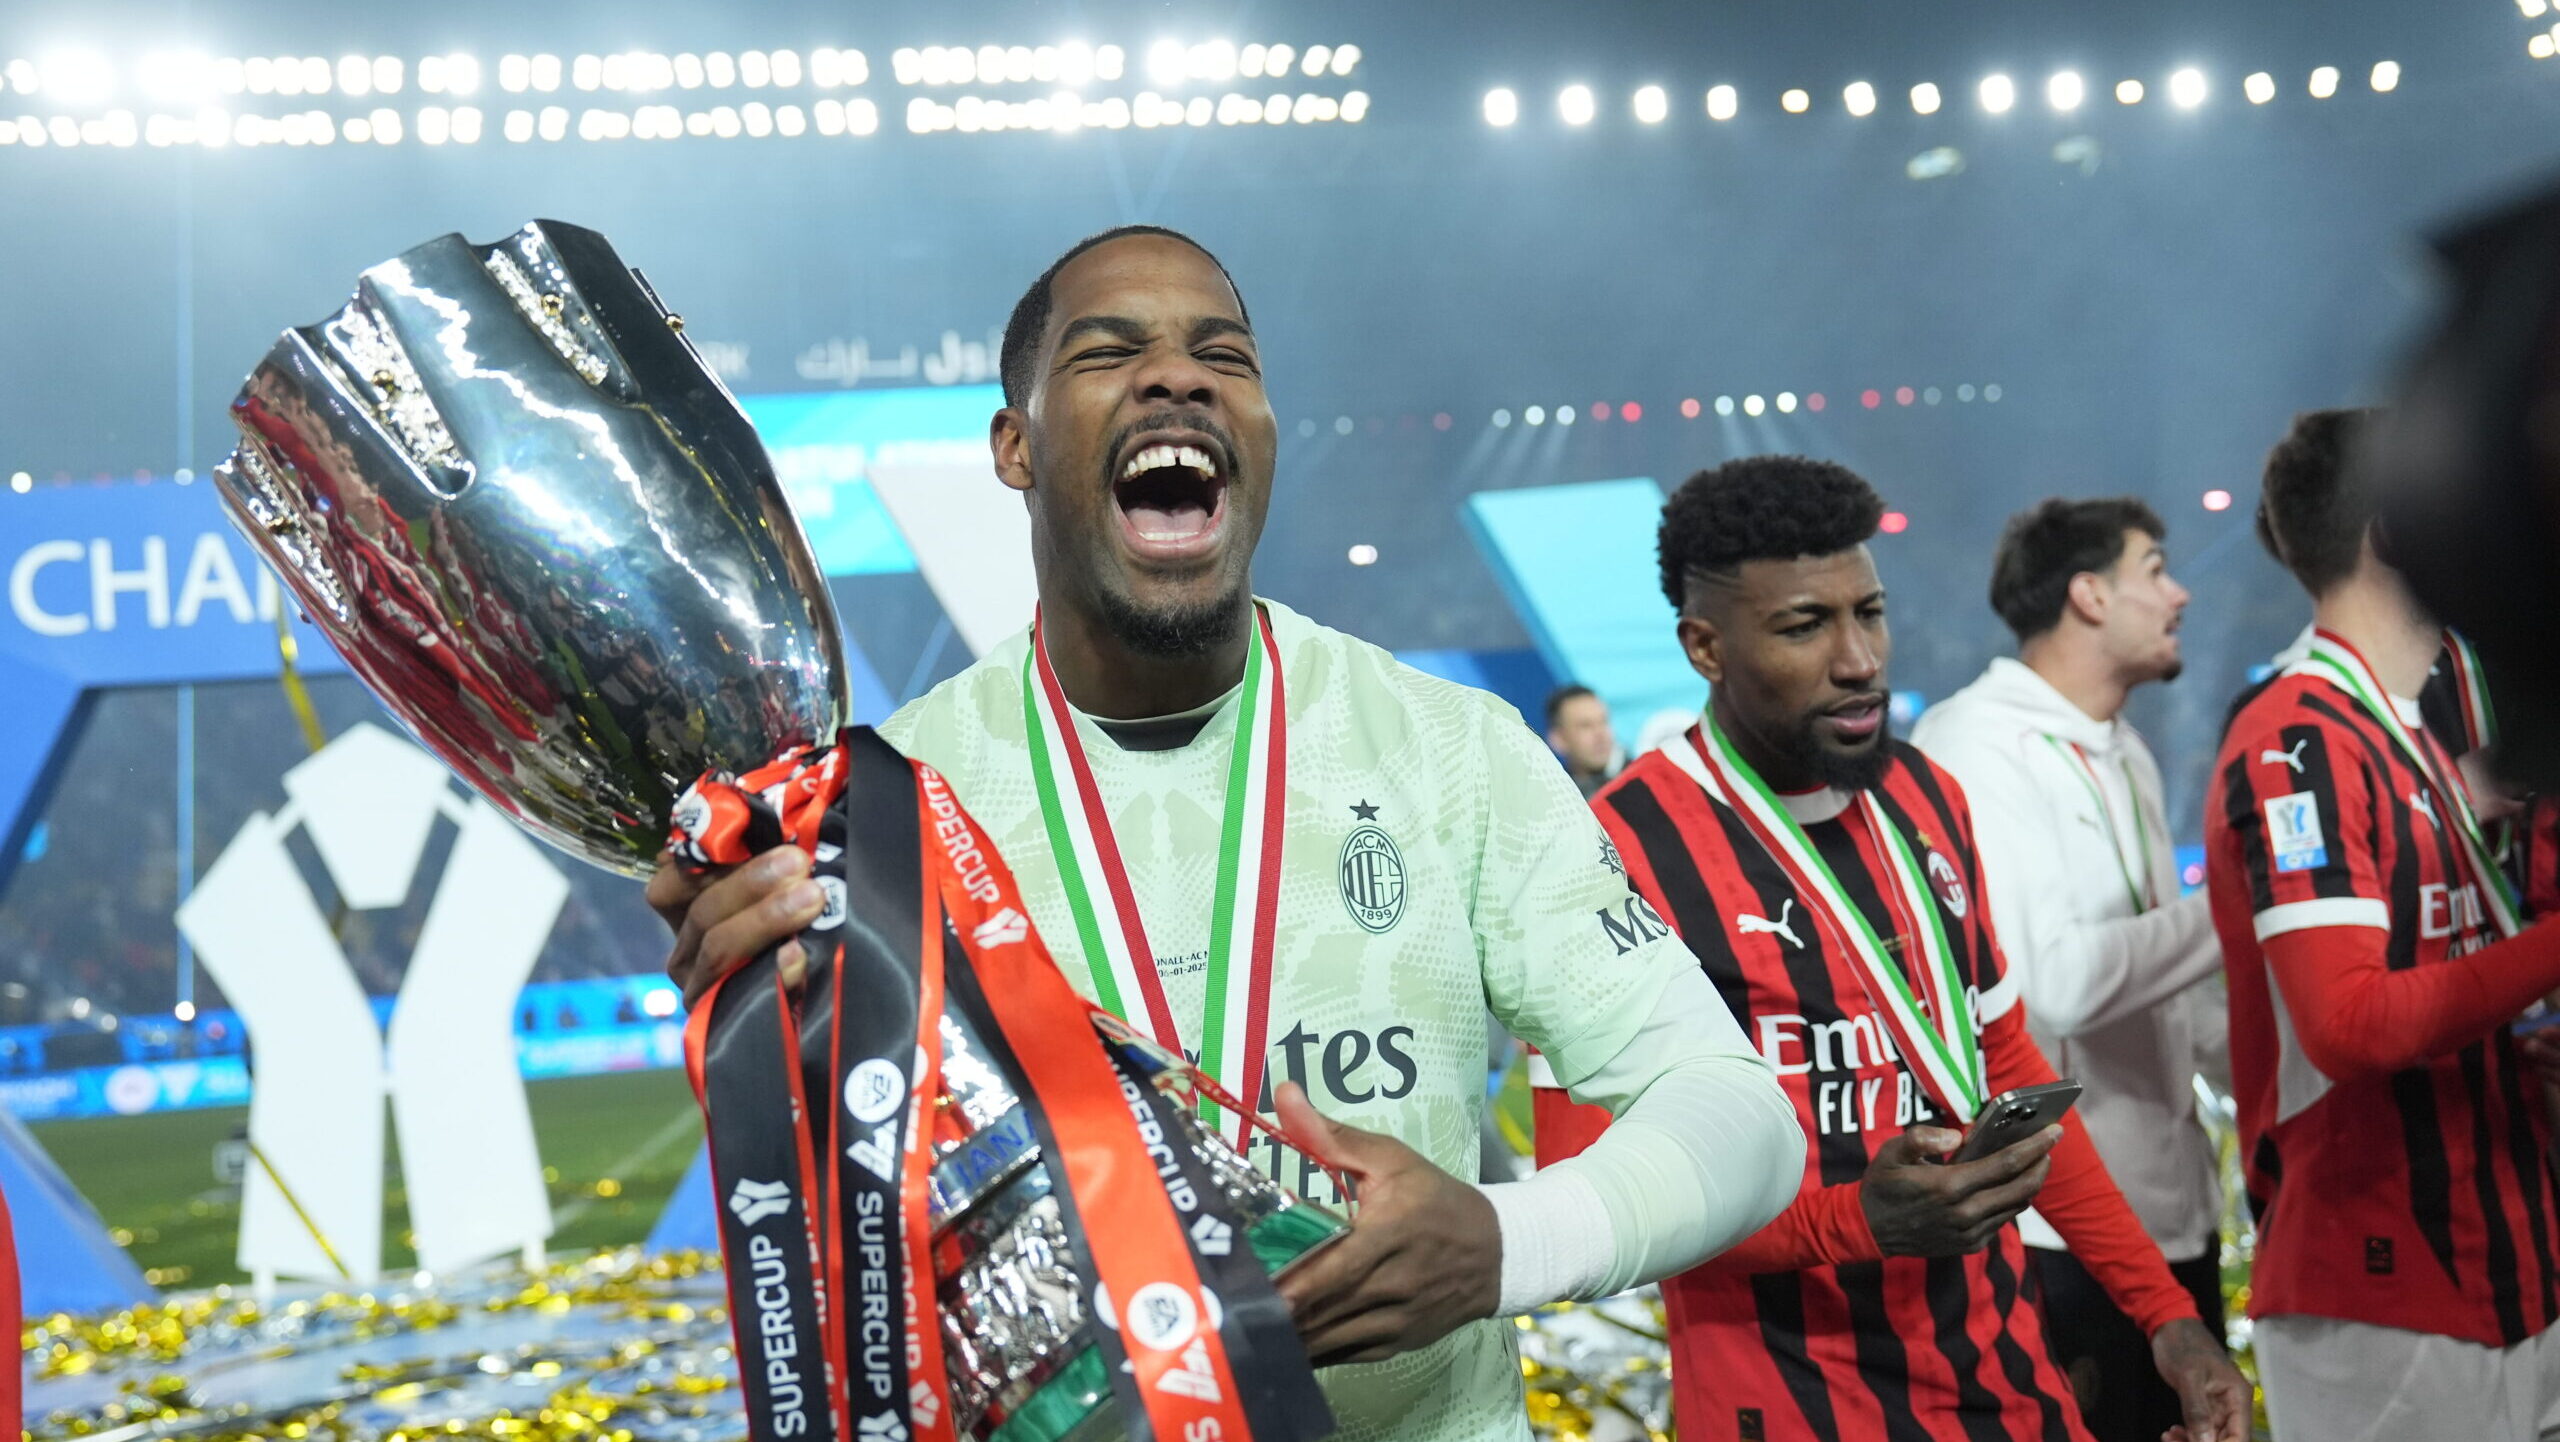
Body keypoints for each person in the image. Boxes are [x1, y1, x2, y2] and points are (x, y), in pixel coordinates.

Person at [647, 226, 1804, 1442]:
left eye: (1224, 356)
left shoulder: (1448, 749)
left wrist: (1501, 1242)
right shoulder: (891, 807)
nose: (1178, 376)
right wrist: (754, 1003)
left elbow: (1738, 1112)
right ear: (1015, 447)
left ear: (1258, 434)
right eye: (1109, 351)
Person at [1544, 456, 2248, 1442]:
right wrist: (1853, 1223)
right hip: (1792, 1406)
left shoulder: (1925, 795)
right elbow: (1587, 1193)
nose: (1859, 658)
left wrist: (2165, 1316)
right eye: (1804, 624)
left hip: (2011, 1386)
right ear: (1704, 645)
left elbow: (2007, 1067)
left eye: (1867, 612)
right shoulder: (1615, 851)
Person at [2209, 408, 2560, 1440]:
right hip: (2380, 1276)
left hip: (2509, 1256)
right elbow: (2349, 1024)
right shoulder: (2297, 741)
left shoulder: (2411, 726)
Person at [1910, 498, 2225, 1442]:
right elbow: (2055, 985)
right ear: (2089, 594)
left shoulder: (2123, 747)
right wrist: (2240, 899)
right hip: (2056, 1235)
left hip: (2178, 1213)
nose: (2181, 593)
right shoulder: (1974, 747)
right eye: (2156, 568)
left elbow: (2173, 987)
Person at [1544, 684, 1621, 798]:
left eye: (1603, 722)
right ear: (1558, 739)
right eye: (1586, 726)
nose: (1600, 734)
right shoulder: (1555, 801)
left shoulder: (1643, 779)